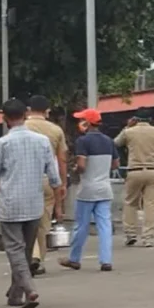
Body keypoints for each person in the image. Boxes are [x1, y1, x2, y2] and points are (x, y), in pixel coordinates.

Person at [0, 99, 62, 308]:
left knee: (14, 249)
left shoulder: (2, 143)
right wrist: (58, 198)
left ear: (4, 118)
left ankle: (30, 290)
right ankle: (15, 294)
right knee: (25, 250)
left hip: (11, 204)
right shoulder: (42, 141)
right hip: (34, 204)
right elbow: (54, 174)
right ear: (26, 114)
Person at [60, 108, 118, 272]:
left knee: (81, 226)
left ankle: (74, 258)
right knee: (105, 226)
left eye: (81, 120)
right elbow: (115, 164)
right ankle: (106, 261)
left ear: (87, 123)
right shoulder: (109, 141)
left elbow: (82, 166)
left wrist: (75, 169)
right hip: (105, 189)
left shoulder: (83, 141)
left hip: (87, 190)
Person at [24, 95, 68, 276]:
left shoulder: (21, 127)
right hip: (48, 180)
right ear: (47, 111)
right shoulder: (55, 130)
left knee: (27, 220)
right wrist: (62, 183)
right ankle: (40, 261)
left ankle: (32, 256)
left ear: (28, 110)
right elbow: (62, 159)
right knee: (44, 222)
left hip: (25, 179)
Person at [114, 110, 154, 247]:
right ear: (150, 119)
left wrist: (127, 127)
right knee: (151, 205)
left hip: (134, 171)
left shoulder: (129, 132)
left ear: (135, 118)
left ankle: (130, 233)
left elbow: (116, 143)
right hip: (153, 171)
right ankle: (148, 238)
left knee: (130, 203)